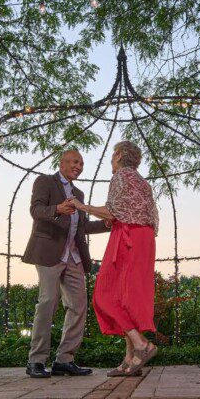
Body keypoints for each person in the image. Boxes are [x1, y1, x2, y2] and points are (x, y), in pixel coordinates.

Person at [71, 140, 159, 376]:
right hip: (145, 239)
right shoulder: (142, 182)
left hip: (127, 238)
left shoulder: (120, 176)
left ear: (119, 155)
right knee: (127, 299)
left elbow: (112, 211)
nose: (111, 160)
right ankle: (130, 360)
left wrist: (82, 206)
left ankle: (142, 345)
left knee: (104, 296)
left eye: (112, 156)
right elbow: (137, 212)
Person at [22, 149, 110, 378]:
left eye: (81, 163)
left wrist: (107, 225)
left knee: (79, 306)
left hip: (74, 257)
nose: (78, 166)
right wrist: (57, 210)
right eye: (74, 161)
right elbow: (35, 210)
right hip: (49, 252)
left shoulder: (78, 193)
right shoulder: (45, 182)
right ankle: (37, 361)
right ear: (61, 163)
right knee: (48, 301)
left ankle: (64, 360)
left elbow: (83, 228)